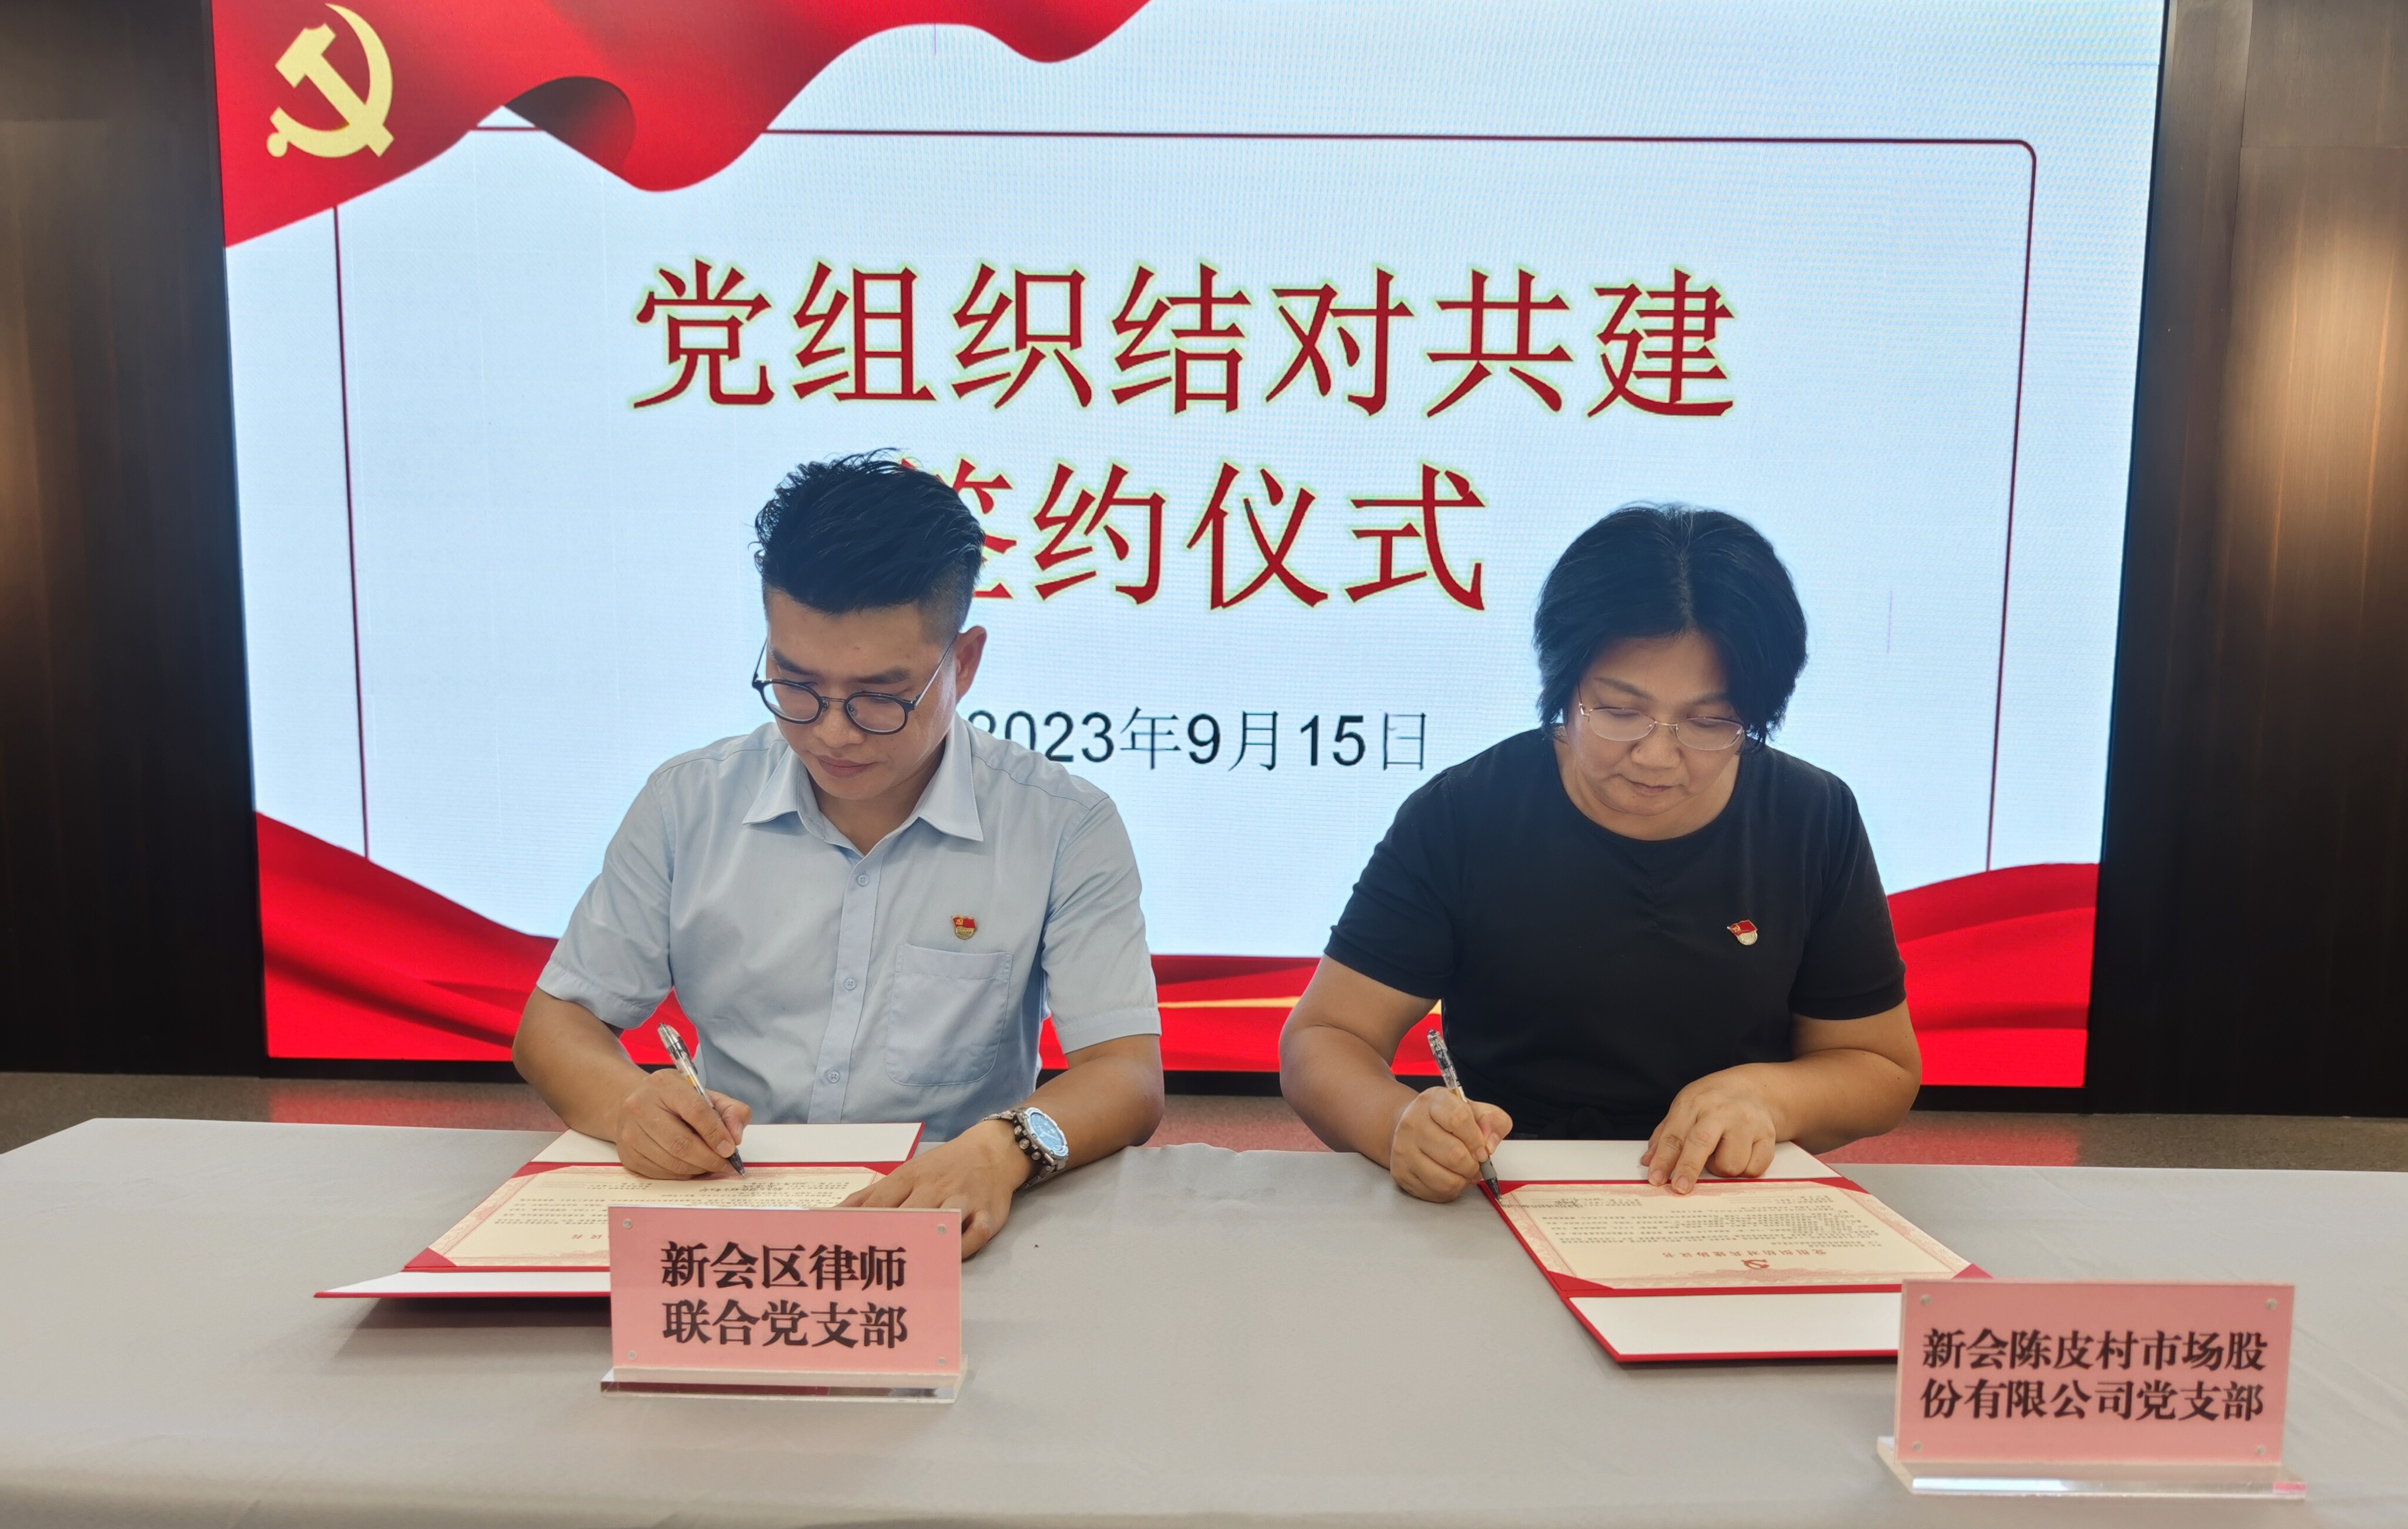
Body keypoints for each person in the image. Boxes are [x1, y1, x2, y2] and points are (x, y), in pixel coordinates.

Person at [514, 453, 1163, 1255]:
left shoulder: (1061, 825)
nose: (831, 732)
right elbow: (557, 1024)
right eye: (795, 685)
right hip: (726, 1206)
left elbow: (1127, 1076)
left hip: (945, 1216)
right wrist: (631, 1108)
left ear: (962, 665)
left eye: (879, 697)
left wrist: (1008, 1149)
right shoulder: (690, 802)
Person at [1281, 503, 1918, 1203]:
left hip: (1725, 1198)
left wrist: (1773, 1096)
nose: (1656, 755)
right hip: (1506, 1193)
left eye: (1709, 721)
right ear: (1564, 684)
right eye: (1618, 711)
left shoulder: (1809, 817)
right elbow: (1324, 1037)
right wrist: (1395, 1123)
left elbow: (1879, 1068)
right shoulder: (1466, 813)